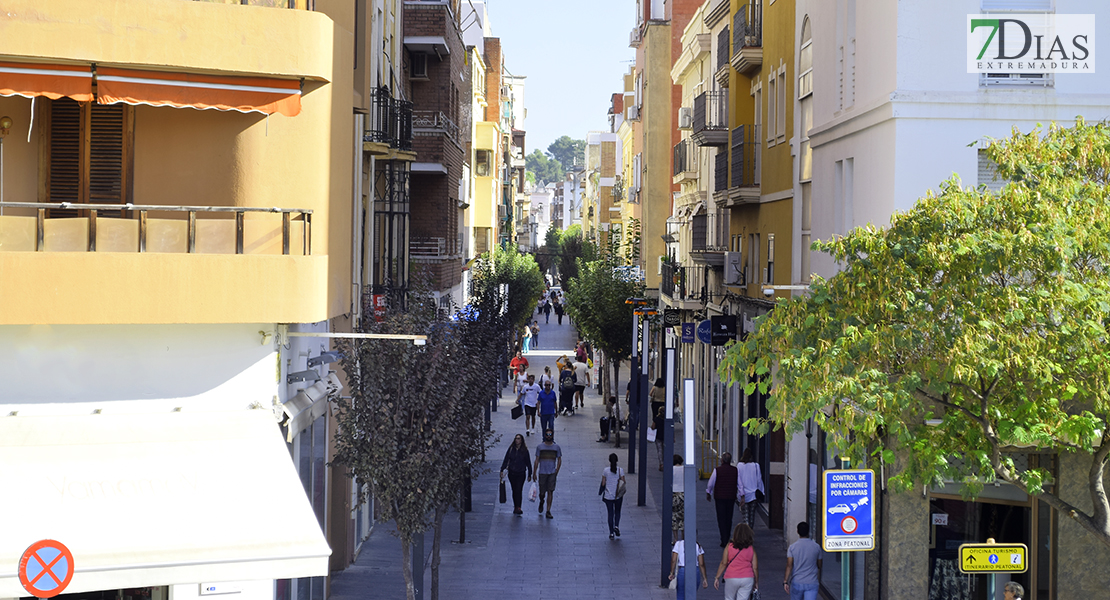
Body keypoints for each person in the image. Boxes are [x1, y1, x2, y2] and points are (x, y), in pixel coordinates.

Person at [706, 453, 745, 548]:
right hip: (731, 497)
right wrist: (742, 495)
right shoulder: (735, 470)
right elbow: (740, 484)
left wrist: (709, 492)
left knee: (721, 518)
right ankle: (727, 536)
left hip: (719, 497)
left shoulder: (717, 470)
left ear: (722, 460)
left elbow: (710, 484)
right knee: (729, 517)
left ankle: (724, 539)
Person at [714, 523, 758, 600]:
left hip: (731, 577)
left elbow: (724, 563)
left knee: (729, 598)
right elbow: (755, 568)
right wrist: (756, 582)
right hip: (747, 577)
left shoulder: (729, 546)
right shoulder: (751, 548)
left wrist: (717, 577)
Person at [784, 521, 823, 600]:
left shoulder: (792, 547)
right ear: (809, 531)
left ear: (797, 531)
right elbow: (819, 565)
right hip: (812, 581)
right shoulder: (816, 547)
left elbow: (789, 565)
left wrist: (785, 581)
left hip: (797, 581)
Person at [499, 434, 533, 515]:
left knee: (519, 489)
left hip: (521, 473)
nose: (517, 440)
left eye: (518, 439)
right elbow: (506, 459)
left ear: (521, 440)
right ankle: (515, 506)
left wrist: (530, 474)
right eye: (516, 438)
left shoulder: (524, 451)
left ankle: (518, 507)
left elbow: (528, 463)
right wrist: (502, 469)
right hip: (512, 472)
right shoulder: (511, 449)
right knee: (514, 490)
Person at [533, 429, 562, 519]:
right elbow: (537, 460)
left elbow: (559, 459)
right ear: (545, 435)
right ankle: (542, 500)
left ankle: (548, 510)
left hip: (552, 473)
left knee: (550, 491)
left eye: (550, 434)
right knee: (542, 492)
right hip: (542, 472)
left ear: (552, 435)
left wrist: (556, 470)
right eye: (547, 434)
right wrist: (534, 472)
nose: (549, 436)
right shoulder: (540, 447)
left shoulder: (556, 447)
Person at [599, 452, 626, 540]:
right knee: (617, 511)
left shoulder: (606, 470)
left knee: (610, 513)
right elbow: (623, 482)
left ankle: (611, 533)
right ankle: (617, 526)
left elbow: (603, 483)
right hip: (618, 495)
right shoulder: (620, 470)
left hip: (608, 495)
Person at [738, 448, 765, 528]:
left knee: (745, 517)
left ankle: (746, 534)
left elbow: (738, 481)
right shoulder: (756, 466)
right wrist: (762, 492)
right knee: (752, 516)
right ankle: (750, 532)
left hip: (743, 495)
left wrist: (740, 492)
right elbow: (759, 480)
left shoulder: (739, 466)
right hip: (753, 495)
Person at [672, 454, 685, 543]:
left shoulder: (671, 469)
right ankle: (683, 538)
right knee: (683, 516)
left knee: (674, 517)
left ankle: (676, 539)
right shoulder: (685, 469)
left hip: (674, 494)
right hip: (683, 494)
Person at [651, 406, 665, 470]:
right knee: (665, 450)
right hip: (665, 436)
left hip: (658, 436)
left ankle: (661, 463)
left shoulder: (656, 419)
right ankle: (665, 462)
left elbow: (653, 427)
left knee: (659, 450)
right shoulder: (666, 419)